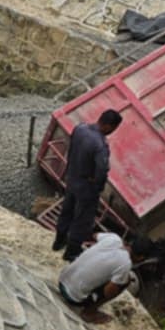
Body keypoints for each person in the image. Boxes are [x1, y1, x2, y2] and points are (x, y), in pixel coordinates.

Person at [53, 109, 122, 262]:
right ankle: (72, 251)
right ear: (109, 126)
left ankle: (58, 242)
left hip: (72, 178)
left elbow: (71, 150)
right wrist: (98, 186)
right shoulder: (100, 145)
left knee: (67, 210)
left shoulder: (80, 128)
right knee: (82, 219)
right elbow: (102, 169)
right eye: (114, 129)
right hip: (86, 186)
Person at [57, 232, 137, 324]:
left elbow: (95, 235)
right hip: (73, 298)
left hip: (61, 281)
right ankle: (89, 312)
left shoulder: (114, 238)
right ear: (141, 257)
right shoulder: (126, 263)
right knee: (124, 281)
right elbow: (109, 292)